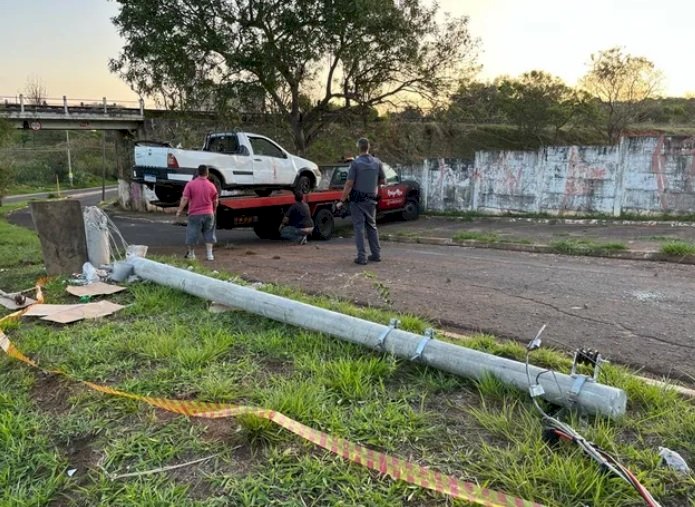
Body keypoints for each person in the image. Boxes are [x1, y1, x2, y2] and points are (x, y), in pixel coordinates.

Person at [339, 137, 385, 264]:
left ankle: (362, 257)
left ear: (358, 148)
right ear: (368, 147)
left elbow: (349, 184)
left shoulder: (355, 163)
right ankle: (376, 254)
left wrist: (341, 200)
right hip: (371, 199)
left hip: (357, 200)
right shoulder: (377, 162)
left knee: (359, 228)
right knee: (372, 226)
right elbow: (383, 181)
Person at [176, 165, 219, 260]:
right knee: (209, 233)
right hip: (209, 213)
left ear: (197, 173)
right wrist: (214, 210)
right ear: (207, 173)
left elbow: (185, 199)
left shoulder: (190, 184)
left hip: (195, 214)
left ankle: (191, 254)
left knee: (192, 233)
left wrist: (179, 211)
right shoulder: (212, 186)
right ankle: (209, 255)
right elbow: (215, 200)